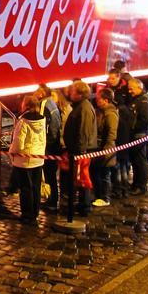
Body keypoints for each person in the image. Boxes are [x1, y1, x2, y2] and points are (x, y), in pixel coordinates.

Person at [62, 80, 97, 216]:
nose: (70, 93)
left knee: (83, 178)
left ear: (80, 94)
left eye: (73, 91)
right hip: (77, 150)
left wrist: (80, 152)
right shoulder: (79, 107)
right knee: (78, 178)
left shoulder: (85, 109)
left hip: (82, 151)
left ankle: (85, 206)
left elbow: (84, 132)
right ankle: (81, 204)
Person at [9, 95, 46, 225]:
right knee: (36, 186)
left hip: (24, 160)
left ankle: (27, 214)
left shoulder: (23, 122)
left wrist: (12, 152)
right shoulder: (42, 119)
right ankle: (35, 211)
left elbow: (18, 142)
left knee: (25, 188)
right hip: (38, 158)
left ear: (26, 105)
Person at [34, 84, 62, 212]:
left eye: (37, 91)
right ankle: (52, 199)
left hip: (48, 146)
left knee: (49, 174)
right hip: (53, 144)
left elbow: (41, 125)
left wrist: (42, 145)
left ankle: (52, 201)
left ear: (41, 93)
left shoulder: (44, 105)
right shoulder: (52, 103)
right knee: (51, 174)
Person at [91, 87, 117, 207]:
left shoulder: (110, 114)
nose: (97, 101)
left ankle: (105, 197)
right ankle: (99, 194)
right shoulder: (101, 112)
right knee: (97, 172)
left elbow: (111, 134)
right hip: (99, 148)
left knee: (105, 174)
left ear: (106, 100)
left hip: (105, 149)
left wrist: (105, 151)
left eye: (99, 99)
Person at [126, 78, 148, 194]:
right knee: (135, 161)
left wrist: (133, 127)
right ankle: (136, 184)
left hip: (139, 136)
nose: (129, 91)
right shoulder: (137, 99)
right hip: (134, 135)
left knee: (140, 161)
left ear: (139, 88)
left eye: (131, 89)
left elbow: (145, 119)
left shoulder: (143, 102)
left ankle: (141, 186)